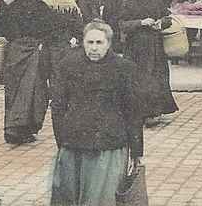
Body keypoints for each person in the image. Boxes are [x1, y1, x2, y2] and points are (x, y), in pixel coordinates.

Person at [49, 21, 143, 206]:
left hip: (108, 145)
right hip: (74, 144)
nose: (94, 48)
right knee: (68, 197)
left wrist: (136, 150)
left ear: (109, 43)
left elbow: (133, 111)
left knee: (101, 198)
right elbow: (58, 106)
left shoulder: (124, 68)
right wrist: (62, 140)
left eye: (99, 43)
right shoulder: (68, 65)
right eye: (89, 42)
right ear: (82, 42)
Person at [0, 0, 60, 144]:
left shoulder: (13, 7)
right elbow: (53, 30)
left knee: (13, 90)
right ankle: (27, 129)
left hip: (14, 52)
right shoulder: (42, 7)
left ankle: (11, 128)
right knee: (34, 91)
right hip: (34, 52)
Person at [119, 0, 178, 124]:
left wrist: (160, 24)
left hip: (154, 47)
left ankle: (154, 112)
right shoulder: (128, 4)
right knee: (137, 79)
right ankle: (138, 112)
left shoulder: (155, 1)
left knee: (155, 78)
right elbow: (122, 24)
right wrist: (140, 22)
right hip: (135, 48)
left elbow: (167, 18)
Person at [43, 0, 85, 72]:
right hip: (66, 40)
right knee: (62, 70)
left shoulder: (46, 2)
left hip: (48, 41)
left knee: (47, 69)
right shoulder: (71, 3)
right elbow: (79, 23)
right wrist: (76, 38)